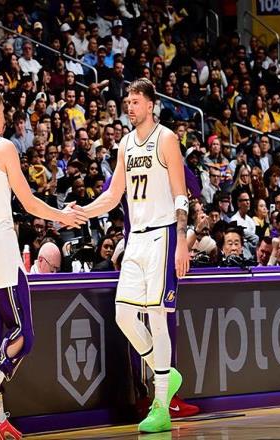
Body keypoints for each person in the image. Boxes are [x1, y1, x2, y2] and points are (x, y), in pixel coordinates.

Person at [0, 87, 86, 440]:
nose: (6, 119)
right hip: (2, 249)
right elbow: (29, 202)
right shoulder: (3, 146)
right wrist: (62, 217)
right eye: (5, 113)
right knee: (24, 335)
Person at [82, 78, 189, 433]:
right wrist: (82, 211)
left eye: (135, 101)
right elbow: (113, 195)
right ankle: (165, 372)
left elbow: (181, 195)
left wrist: (182, 240)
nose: (129, 107)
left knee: (157, 316)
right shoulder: (126, 144)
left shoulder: (166, 139)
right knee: (124, 315)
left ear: (151, 105)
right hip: (136, 238)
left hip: (162, 233)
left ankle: (161, 405)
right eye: (127, 101)